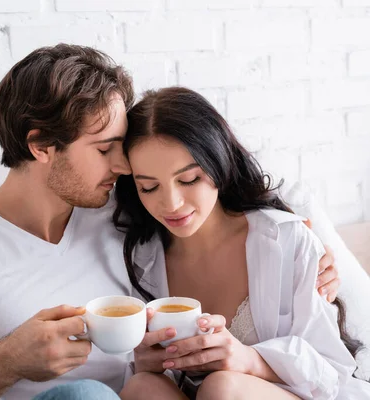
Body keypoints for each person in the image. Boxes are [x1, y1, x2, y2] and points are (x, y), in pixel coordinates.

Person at [0, 45, 340, 400]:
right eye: (105, 149)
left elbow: (206, 183)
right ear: (42, 146)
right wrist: (9, 361)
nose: (123, 165)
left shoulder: (125, 213)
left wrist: (306, 249)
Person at [113, 87, 370, 399]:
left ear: (218, 162)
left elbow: (331, 371)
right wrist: (146, 362)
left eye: (189, 179)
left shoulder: (283, 239)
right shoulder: (141, 257)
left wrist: (247, 360)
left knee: (224, 387)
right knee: (142, 387)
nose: (171, 203)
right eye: (149, 187)